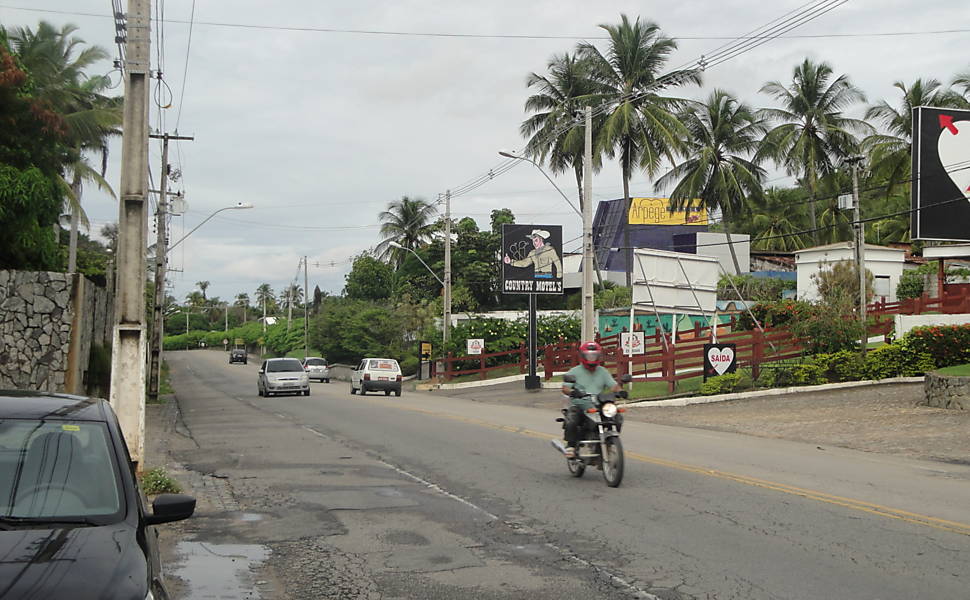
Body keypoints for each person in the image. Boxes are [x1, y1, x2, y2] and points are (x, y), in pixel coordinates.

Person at [560, 341, 624, 459]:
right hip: (580, 405)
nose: (592, 358)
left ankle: (609, 442)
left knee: (617, 416)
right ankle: (571, 446)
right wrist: (573, 392)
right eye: (589, 355)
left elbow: (613, 385)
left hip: (599, 405)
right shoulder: (574, 371)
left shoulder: (602, 371)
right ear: (583, 356)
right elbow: (565, 388)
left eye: (594, 355)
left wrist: (620, 391)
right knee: (572, 418)